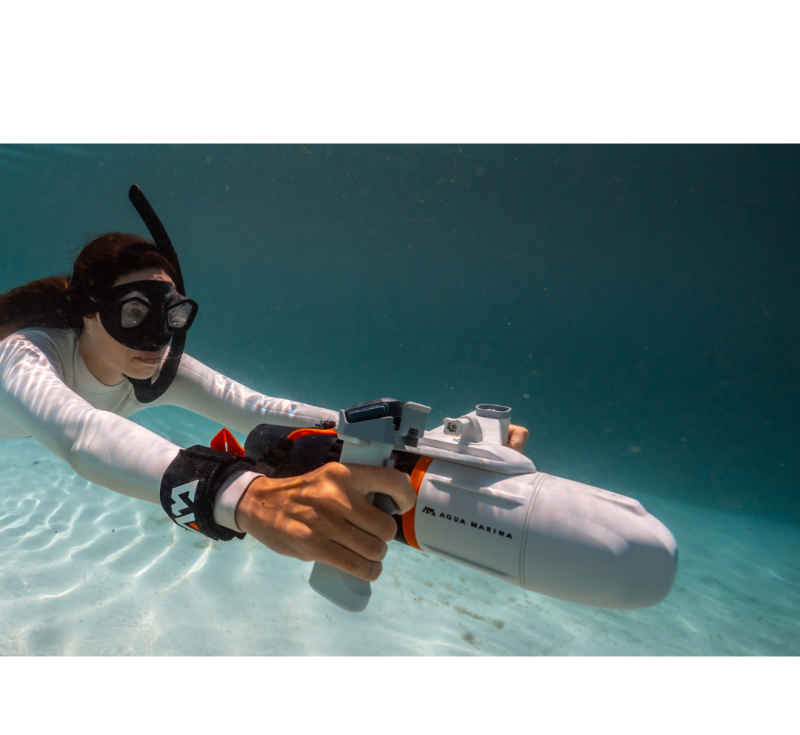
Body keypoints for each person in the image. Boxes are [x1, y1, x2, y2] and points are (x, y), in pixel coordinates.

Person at [0, 187, 529, 585]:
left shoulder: (153, 367)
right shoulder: (24, 352)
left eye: (173, 314)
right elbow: (78, 435)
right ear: (87, 314)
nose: (157, 336)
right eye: (135, 312)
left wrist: (426, 444)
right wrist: (242, 495)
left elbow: (255, 408)